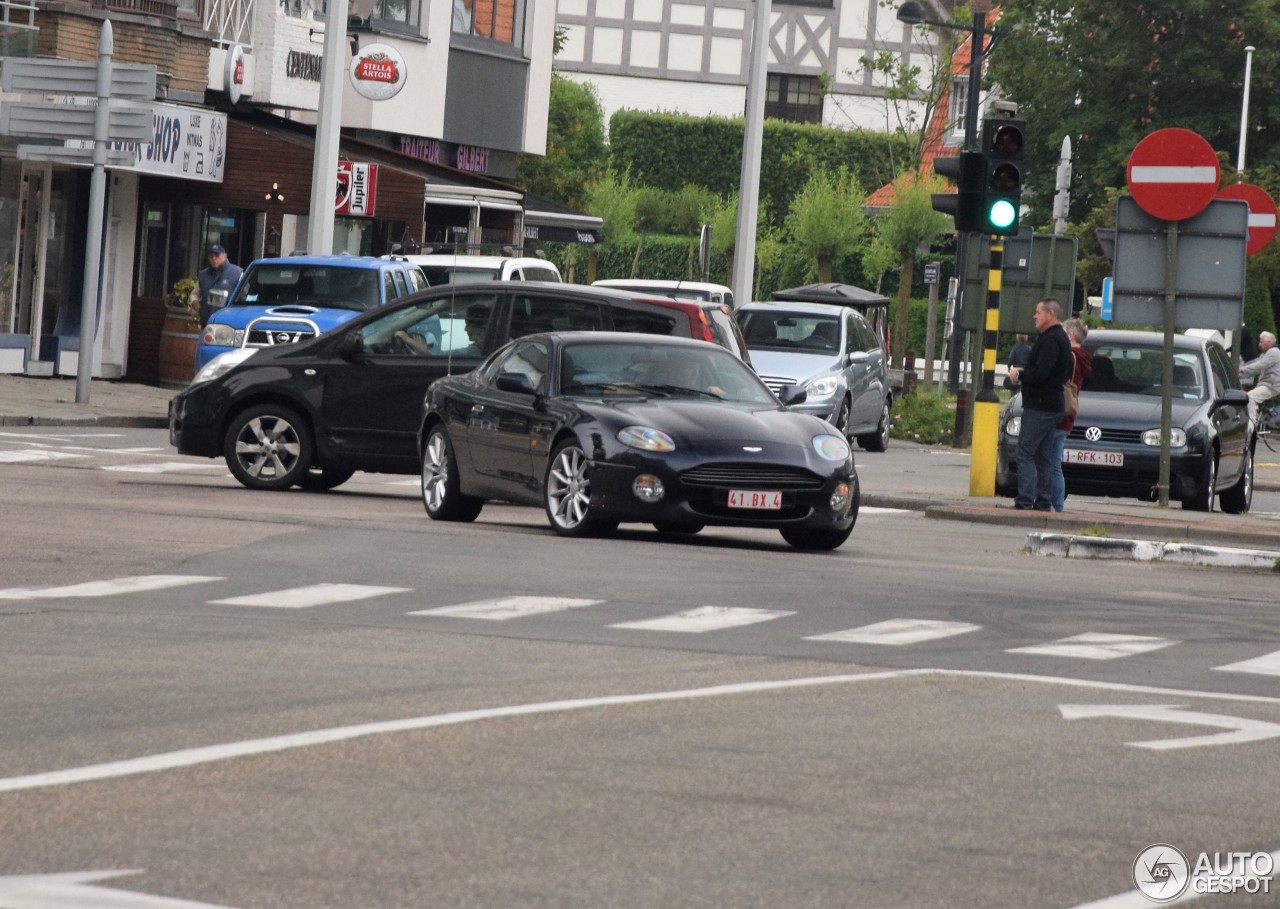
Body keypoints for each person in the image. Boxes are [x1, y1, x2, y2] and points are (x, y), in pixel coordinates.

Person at [1007, 298, 1073, 511]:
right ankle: (1043, 500)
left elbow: (1042, 372)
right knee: (1043, 456)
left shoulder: (1051, 340)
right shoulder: (1059, 338)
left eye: (1038, 312)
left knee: (1024, 452)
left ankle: (1025, 499)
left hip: (1041, 405)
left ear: (1050, 314)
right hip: (1052, 404)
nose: (1034, 316)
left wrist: (1021, 373)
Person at [1050, 319, 1093, 512]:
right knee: (1056, 461)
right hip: (1069, 415)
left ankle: (1053, 503)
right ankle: (1057, 504)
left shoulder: (1069, 356)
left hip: (1058, 412)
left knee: (1050, 462)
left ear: (1070, 336)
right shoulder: (1084, 358)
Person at [1239, 330, 1280, 425]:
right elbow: (1255, 370)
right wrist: (1238, 376)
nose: (1259, 344)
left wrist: (1242, 370)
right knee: (1245, 397)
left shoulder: (1274, 352)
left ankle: (1252, 426)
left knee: (1249, 397)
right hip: (1266, 384)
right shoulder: (1265, 354)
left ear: (1269, 342)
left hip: (1271, 385)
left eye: (1261, 342)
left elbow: (1260, 365)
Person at [196, 244, 243, 327]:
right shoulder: (202, 275)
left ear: (225, 256)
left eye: (217, 255)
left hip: (229, 323)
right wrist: (197, 306)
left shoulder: (238, 273)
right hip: (207, 322)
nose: (213, 258)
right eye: (211, 256)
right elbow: (195, 293)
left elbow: (246, 297)